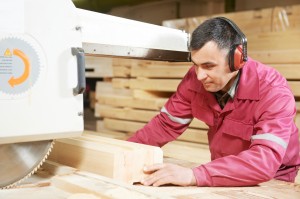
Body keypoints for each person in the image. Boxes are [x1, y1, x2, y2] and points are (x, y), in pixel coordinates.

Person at [127, 17, 300, 187]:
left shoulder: (273, 91)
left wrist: (193, 175)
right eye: (195, 65)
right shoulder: (195, 79)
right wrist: (124, 150)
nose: (200, 75)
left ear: (237, 60)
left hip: (273, 176)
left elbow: (264, 162)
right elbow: (165, 125)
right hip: (222, 169)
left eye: (208, 66)